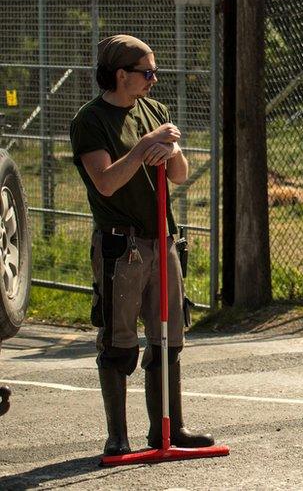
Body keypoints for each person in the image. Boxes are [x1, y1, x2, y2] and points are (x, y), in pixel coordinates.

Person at [70, 34, 214, 456]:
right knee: (118, 340)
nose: (154, 79)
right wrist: (142, 148)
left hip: (163, 238)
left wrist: (170, 147)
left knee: (168, 337)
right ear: (121, 75)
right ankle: (118, 437)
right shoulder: (90, 120)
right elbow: (106, 183)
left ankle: (169, 429)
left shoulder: (155, 111)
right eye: (146, 72)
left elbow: (179, 175)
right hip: (122, 244)